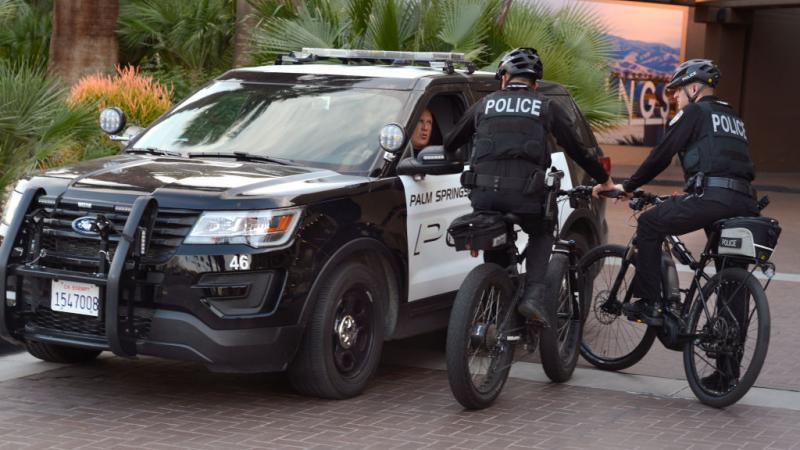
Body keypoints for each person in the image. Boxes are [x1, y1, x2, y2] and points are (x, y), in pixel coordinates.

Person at [594, 59, 759, 389]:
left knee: (652, 224)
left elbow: (663, 153)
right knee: (731, 280)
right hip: (745, 204)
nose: (676, 100)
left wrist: (628, 186)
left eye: (678, 93)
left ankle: (648, 301)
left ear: (694, 88)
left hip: (711, 198)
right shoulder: (733, 118)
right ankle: (725, 375)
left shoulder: (695, 113)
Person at [444, 48, 614, 328]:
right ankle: (534, 294)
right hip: (526, 198)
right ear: (535, 84)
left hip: (484, 196)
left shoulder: (484, 104)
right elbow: (580, 151)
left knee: (493, 231)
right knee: (542, 230)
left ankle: (495, 293)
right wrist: (603, 180)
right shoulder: (545, 106)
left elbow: (451, 141)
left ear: (504, 79)